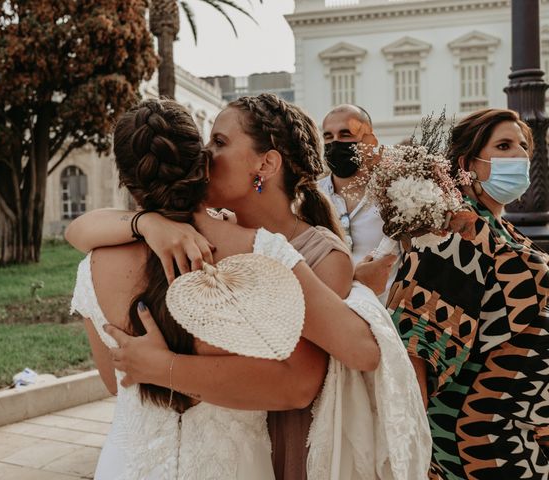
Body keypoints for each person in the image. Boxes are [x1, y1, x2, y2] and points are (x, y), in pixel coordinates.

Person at [67, 94, 430, 479]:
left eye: (219, 142)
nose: (209, 155)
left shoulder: (94, 264)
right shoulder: (255, 250)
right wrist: (147, 223)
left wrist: (164, 368)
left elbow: (116, 381)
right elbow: (298, 378)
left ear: (124, 176)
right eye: (207, 144)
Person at [387, 108, 549, 479]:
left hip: (519, 434)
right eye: (504, 145)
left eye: (523, 146)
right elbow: (418, 347)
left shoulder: (502, 229)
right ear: (467, 164)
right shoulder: (454, 234)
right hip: (483, 444)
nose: (520, 156)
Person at [318, 104, 399, 304]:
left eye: (345, 135)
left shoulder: (396, 194)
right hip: (331, 315)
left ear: (369, 141)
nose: (335, 143)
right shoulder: (309, 197)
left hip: (385, 318)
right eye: (328, 136)